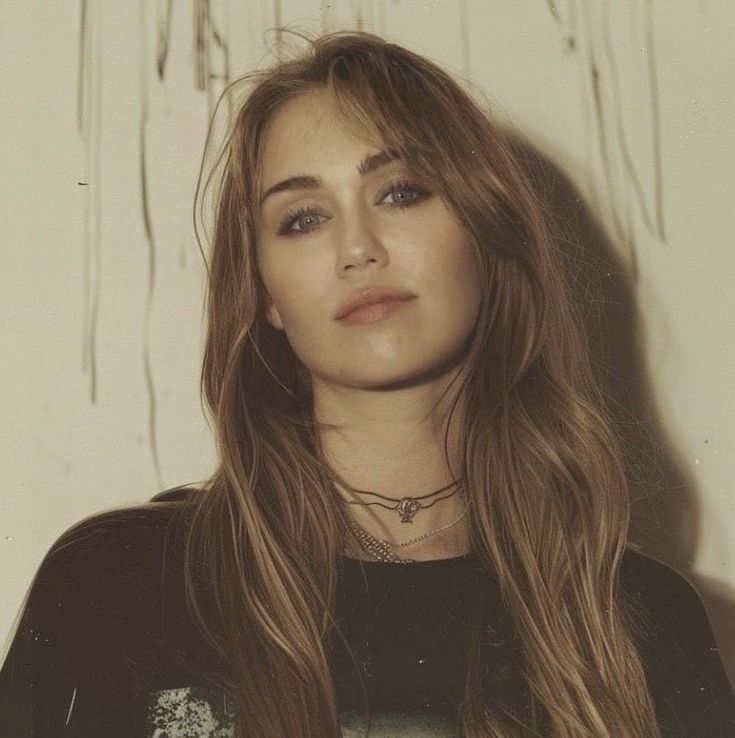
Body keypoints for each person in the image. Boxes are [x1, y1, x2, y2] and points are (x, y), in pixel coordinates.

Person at [1, 30, 733, 738]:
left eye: (401, 192)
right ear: (265, 298)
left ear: (486, 233)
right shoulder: (116, 583)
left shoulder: (637, 618)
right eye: (303, 218)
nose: (357, 248)